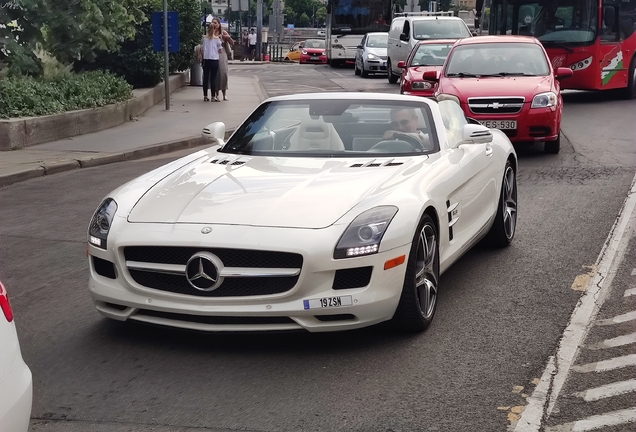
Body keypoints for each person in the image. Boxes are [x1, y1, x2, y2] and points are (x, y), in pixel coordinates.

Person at [202, 19, 223, 102]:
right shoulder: (217, 39)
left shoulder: (204, 38)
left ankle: (205, 95)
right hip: (214, 60)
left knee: (205, 78)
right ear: (214, 29)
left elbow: (202, 48)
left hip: (206, 59)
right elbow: (220, 50)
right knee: (213, 78)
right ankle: (213, 96)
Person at [215, 22, 234, 101]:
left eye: (215, 23)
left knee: (223, 73)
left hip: (222, 54)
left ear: (219, 24)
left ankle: (224, 93)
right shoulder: (210, 32)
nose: (214, 24)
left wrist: (227, 37)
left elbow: (232, 43)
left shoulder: (223, 32)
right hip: (213, 54)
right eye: (213, 23)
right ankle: (216, 94)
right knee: (216, 74)